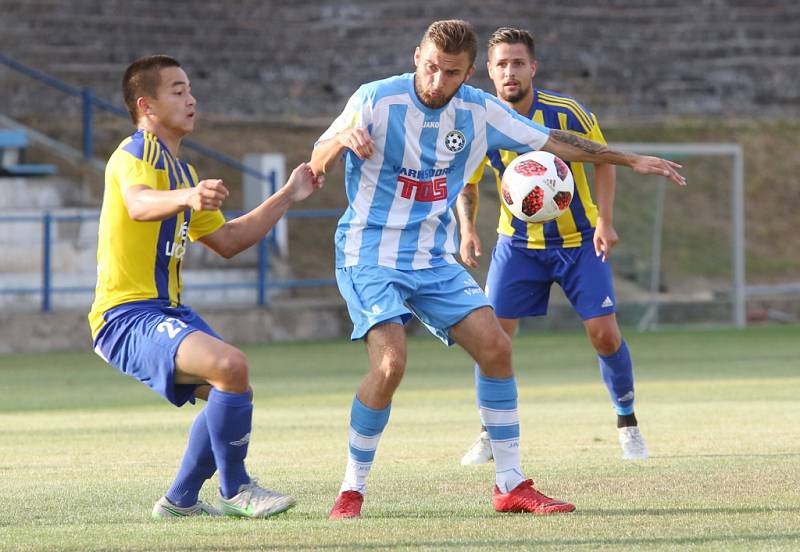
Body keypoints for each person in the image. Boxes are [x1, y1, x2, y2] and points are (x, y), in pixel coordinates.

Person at [309, 19, 684, 520]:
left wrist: (628, 158)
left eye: (450, 73)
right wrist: (341, 141)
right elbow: (317, 157)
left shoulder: (477, 110)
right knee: (391, 363)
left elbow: (556, 142)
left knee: (496, 346)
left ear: (468, 74)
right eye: (430, 68)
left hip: (431, 257)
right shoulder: (376, 98)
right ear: (416, 56)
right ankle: (351, 490)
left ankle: (510, 485)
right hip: (369, 252)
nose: (437, 82)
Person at [88, 55, 323, 519]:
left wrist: (287, 195)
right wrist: (188, 198)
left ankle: (180, 501)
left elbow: (229, 241)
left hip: (165, 310)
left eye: (190, 88)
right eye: (177, 90)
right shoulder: (134, 153)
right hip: (125, 314)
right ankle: (236, 489)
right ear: (146, 105)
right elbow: (137, 204)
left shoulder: (182, 171)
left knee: (231, 387)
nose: (191, 98)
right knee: (230, 365)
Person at [457, 27, 658, 466]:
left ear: (533, 67)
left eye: (518, 63)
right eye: (501, 64)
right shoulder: (481, 121)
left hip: (579, 243)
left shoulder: (566, 114)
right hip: (517, 247)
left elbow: (605, 161)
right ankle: (491, 432)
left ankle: (628, 424)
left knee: (604, 335)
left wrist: (605, 221)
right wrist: (467, 229)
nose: (510, 72)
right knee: (490, 339)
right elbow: (467, 183)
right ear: (488, 72)